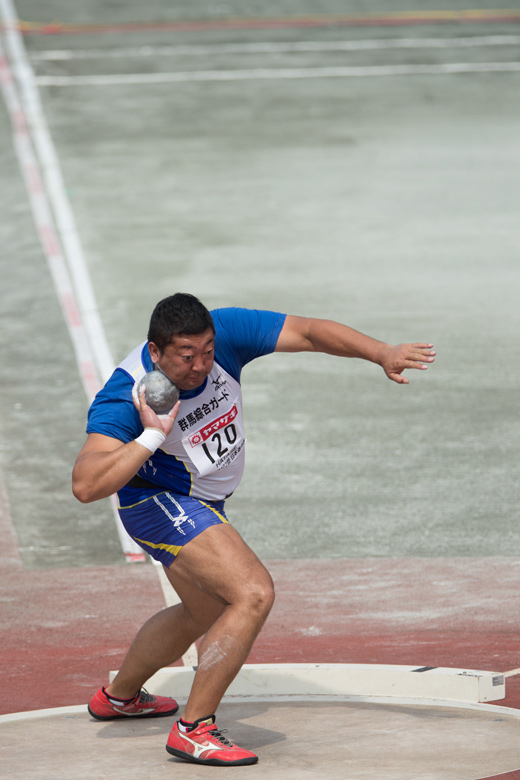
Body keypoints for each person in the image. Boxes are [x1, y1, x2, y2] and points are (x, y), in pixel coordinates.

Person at [72, 293, 435, 767]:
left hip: (205, 503)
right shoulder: (128, 394)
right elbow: (85, 485)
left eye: (207, 351)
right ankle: (194, 730)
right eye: (186, 357)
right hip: (158, 502)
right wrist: (153, 435)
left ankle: (118, 697)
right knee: (253, 593)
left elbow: (307, 331)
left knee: (202, 612)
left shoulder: (222, 334)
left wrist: (380, 352)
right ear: (156, 352)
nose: (202, 365)